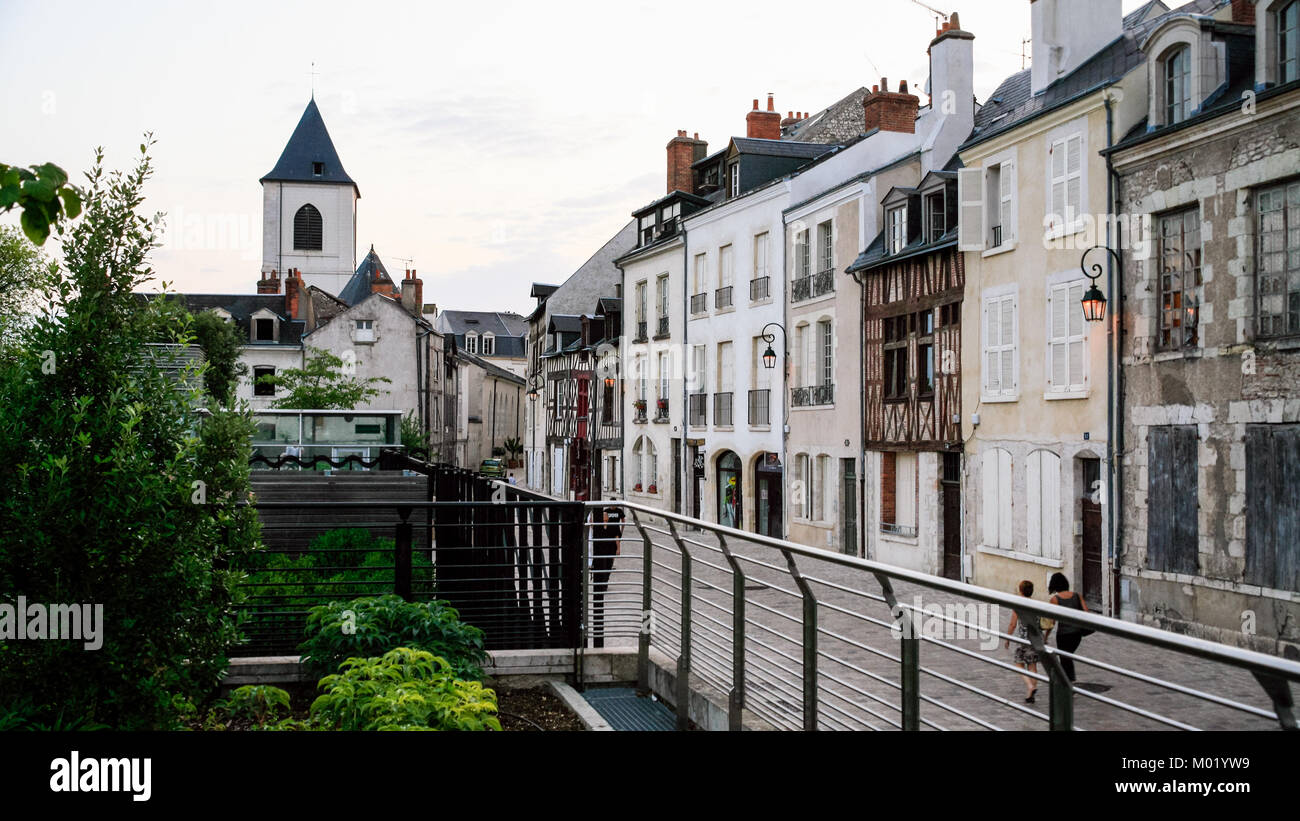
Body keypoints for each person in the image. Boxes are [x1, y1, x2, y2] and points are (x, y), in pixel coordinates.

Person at [589, 503, 624, 649]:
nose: (604, 520)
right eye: (602, 518)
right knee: (600, 568)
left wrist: (618, 548)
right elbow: (589, 526)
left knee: (608, 568)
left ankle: (605, 582)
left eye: (605, 518)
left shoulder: (613, 526)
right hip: (599, 552)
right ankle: (601, 582)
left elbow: (617, 537)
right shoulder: (596, 527)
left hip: (609, 550)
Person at [1004, 580, 1042, 703]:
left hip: (1024, 639)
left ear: (1021, 591)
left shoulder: (1018, 605)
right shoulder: (1036, 604)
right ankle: (1032, 690)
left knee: (1019, 664)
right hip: (1036, 638)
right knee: (1032, 665)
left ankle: (1030, 686)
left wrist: (1008, 638)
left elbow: (1012, 624)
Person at [1048, 572, 1089, 682]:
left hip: (1063, 634)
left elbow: (1052, 621)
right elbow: (1086, 612)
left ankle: (1067, 682)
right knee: (1067, 657)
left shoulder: (1055, 599)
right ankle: (1067, 681)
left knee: (1065, 658)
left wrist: (1046, 636)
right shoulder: (1077, 595)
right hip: (1077, 634)